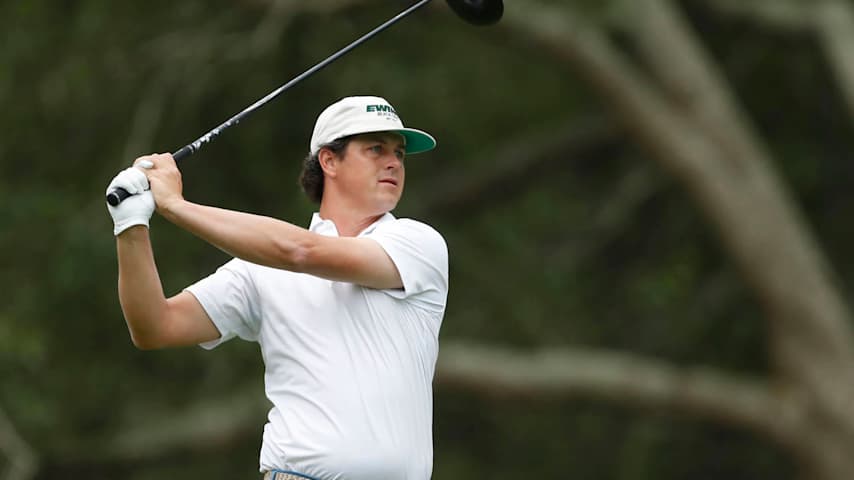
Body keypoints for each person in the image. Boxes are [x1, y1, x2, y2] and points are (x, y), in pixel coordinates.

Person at [105, 96, 449, 480]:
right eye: (376, 149)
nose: (394, 163)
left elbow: (301, 252)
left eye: (400, 153)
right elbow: (156, 326)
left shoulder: (416, 244)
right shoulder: (261, 269)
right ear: (329, 160)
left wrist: (175, 206)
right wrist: (131, 226)